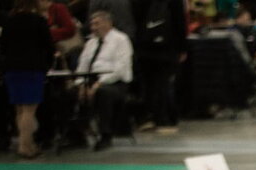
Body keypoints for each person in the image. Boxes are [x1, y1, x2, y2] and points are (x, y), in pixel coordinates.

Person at [2, 0, 56, 158]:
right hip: (32, 68)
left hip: (12, 69)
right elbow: (49, 46)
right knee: (29, 110)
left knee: (19, 109)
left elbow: (3, 46)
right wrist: (47, 65)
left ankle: (28, 143)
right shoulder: (38, 21)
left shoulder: (9, 21)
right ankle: (24, 147)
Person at [75, 9, 133, 150]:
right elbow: (82, 66)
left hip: (115, 82)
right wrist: (81, 84)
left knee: (103, 93)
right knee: (67, 94)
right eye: (92, 24)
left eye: (97, 24)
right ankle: (75, 134)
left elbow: (120, 69)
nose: (93, 27)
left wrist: (98, 84)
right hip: (90, 79)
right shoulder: (91, 42)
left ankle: (105, 134)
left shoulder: (121, 40)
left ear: (108, 24)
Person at [135, 0, 188, 133]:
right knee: (163, 83)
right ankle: (163, 117)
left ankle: (148, 116)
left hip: (145, 46)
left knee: (148, 84)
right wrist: (182, 48)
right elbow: (179, 21)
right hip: (166, 46)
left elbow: (136, 18)